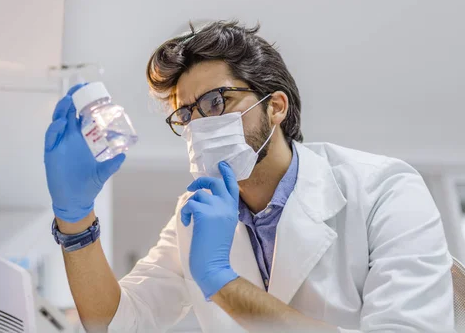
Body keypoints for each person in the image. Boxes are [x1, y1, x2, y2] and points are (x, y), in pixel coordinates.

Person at [44, 21, 454, 332]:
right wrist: (76, 217)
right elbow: (115, 322)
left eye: (216, 101)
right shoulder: (195, 216)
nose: (198, 125)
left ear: (275, 107)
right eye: (186, 115)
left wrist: (220, 282)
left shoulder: (385, 190)